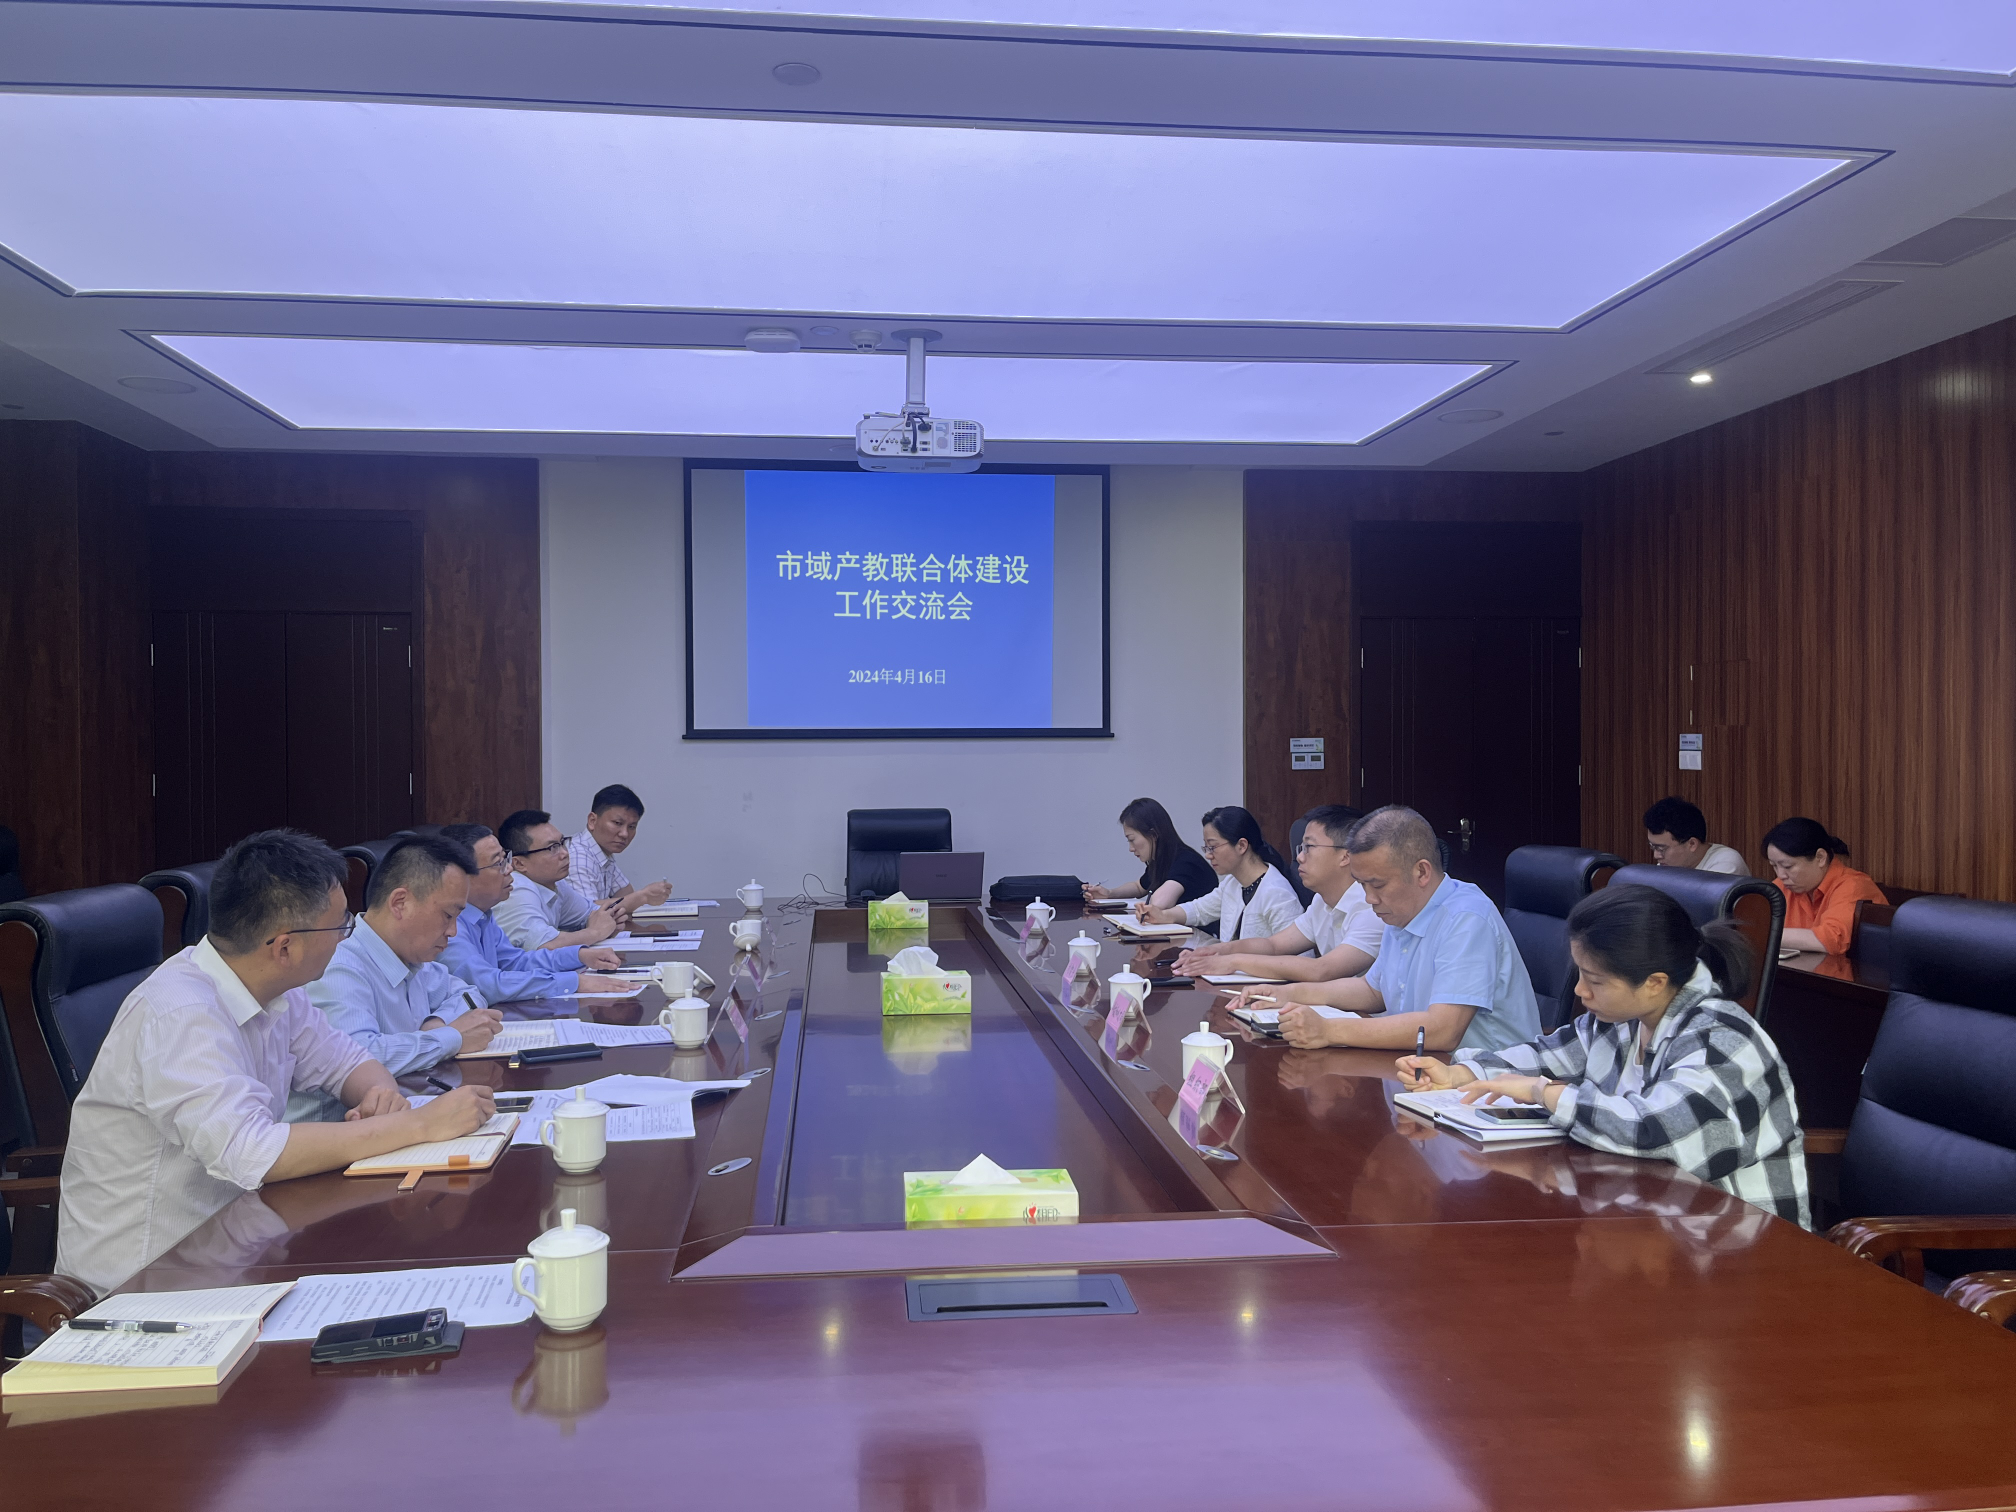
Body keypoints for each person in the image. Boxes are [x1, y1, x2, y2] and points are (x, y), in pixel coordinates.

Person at [54, 830, 494, 1293]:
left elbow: (348, 1062)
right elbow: (252, 1152)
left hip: (241, 1252)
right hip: (145, 1291)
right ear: (285, 947)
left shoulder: (277, 992)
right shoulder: (181, 1013)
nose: (346, 937)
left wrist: (380, 1097)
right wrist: (417, 1125)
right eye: (340, 925)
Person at [1394, 884, 1809, 1226]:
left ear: (1654, 982)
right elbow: (1549, 1055)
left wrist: (1544, 1093)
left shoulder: (1720, 1040)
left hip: (1741, 1247)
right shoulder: (1624, 1017)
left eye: (1594, 980)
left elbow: (1655, 1133)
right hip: (1654, 1225)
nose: (1579, 991)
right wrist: (1461, 1074)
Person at [1256, 805, 1540, 1054]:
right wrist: (1290, 994)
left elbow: (1443, 1030)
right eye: (1361, 884)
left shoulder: (1466, 918)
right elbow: (1372, 991)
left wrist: (1328, 1030)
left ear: (1421, 872)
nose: (1369, 898)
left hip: (1490, 1082)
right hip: (1423, 1072)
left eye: (1377, 885)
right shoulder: (1401, 911)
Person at [301, 834, 503, 1116]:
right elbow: (359, 1058)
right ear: (400, 903)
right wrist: (451, 1037)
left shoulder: (413, 958)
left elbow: (469, 994)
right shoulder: (338, 964)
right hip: (336, 1132)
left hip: (402, 1111)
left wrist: (437, 1022)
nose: (453, 931)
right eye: (448, 915)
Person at [1174, 804, 1381, 982]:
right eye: (1301, 847)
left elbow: (1322, 970)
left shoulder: (1370, 907)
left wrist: (1233, 961)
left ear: (1345, 856)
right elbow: (1272, 945)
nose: (1299, 857)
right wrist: (1215, 952)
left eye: (1309, 847)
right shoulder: (1321, 900)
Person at [436, 823, 633, 1001]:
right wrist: (574, 982)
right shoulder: (448, 928)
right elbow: (489, 985)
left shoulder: (482, 916)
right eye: (498, 863)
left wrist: (579, 956)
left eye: (506, 859)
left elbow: (516, 962)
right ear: (460, 877)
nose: (509, 869)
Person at [1139, 805, 1301, 942]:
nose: (1208, 855)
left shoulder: (1278, 894)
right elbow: (1200, 909)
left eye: (1213, 847)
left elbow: (1298, 959)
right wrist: (1163, 915)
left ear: (1241, 846)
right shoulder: (1233, 883)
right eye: (1206, 848)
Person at [495, 808, 619, 951]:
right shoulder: (516, 889)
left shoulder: (554, 883)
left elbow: (591, 913)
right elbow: (544, 946)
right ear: (519, 864)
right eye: (552, 848)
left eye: (562, 842)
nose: (565, 853)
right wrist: (596, 932)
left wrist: (608, 918)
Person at [1764, 817, 1885, 955]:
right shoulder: (1781, 887)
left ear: (1820, 857)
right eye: (1774, 866)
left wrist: (1767, 935)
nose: (1780, 875)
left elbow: (1831, 939)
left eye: (1787, 866)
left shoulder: (1853, 885)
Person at [1081, 797, 1216, 910]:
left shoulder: (1186, 862)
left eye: (1132, 840)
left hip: (1201, 933)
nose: (1131, 848)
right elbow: (1139, 887)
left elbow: (1158, 904)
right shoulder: (1162, 859)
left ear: (1153, 834)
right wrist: (1109, 893)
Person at [565, 784, 674, 923]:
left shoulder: (601, 852)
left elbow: (626, 893)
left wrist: (645, 896)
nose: (624, 834)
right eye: (617, 823)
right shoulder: (577, 856)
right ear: (592, 821)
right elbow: (588, 913)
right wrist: (643, 897)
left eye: (631, 827)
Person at [1643, 796, 1748, 875]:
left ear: (1692, 844)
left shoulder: (1726, 863)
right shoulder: (1669, 865)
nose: (1656, 856)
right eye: (1653, 847)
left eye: (1661, 849)